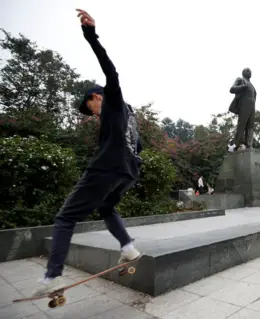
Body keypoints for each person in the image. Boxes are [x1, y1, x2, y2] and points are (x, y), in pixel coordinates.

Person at [33, 9, 142, 296]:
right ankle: (129, 248)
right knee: (106, 207)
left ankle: (52, 278)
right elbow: (137, 144)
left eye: (89, 108)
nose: (91, 114)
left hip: (107, 168)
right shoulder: (128, 114)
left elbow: (111, 70)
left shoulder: (113, 101)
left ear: (96, 97)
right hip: (129, 171)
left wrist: (90, 34)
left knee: (65, 218)